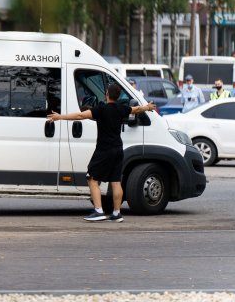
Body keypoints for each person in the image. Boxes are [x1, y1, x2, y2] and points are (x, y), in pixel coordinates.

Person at [46, 83, 156, 222]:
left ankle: (98, 211)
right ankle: (116, 213)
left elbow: (80, 115)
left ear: (107, 95)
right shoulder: (122, 108)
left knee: (92, 178)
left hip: (104, 150)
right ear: (118, 96)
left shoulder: (101, 109)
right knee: (116, 182)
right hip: (118, 149)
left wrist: (60, 117)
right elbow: (137, 109)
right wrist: (148, 107)